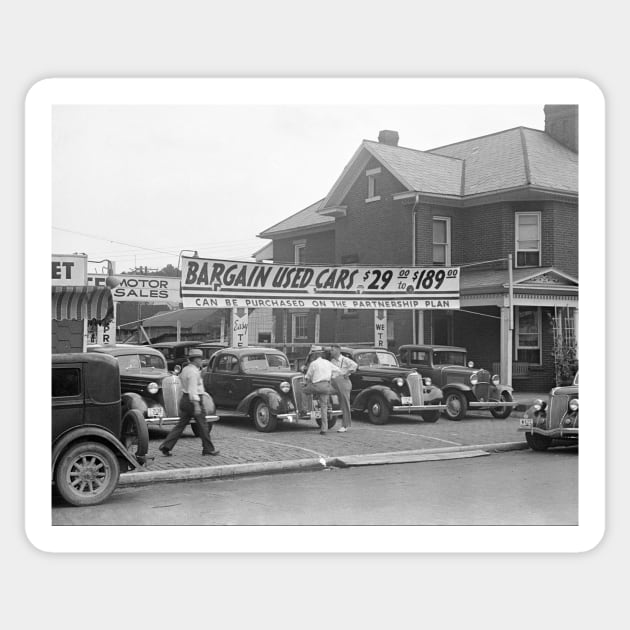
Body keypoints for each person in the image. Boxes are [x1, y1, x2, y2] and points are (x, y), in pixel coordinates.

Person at [159, 349, 220, 456]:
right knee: (203, 425)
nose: (201, 361)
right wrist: (196, 405)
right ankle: (208, 449)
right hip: (193, 401)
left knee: (180, 426)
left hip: (185, 399)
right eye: (200, 359)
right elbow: (193, 390)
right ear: (195, 360)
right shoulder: (193, 373)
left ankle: (166, 446)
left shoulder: (186, 370)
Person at [304, 347, 335, 434]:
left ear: (315, 355)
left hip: (316, 386)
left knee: (303, 391)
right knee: (324, 407)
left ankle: (305, 408)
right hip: (326, 386)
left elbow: (308, 376)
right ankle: (324, 428)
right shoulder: (328, 363)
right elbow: (337, 371)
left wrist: (305, 382)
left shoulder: (314, 363)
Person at [329, 344, 357, 432]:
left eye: (332, 350)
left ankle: (345, 425)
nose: (331, 352)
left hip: (343, 382)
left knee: (344, 403)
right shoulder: (332, 361)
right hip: (333, 382)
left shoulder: (345, 360)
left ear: (338, 350)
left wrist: (347, 373)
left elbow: (354, 365)